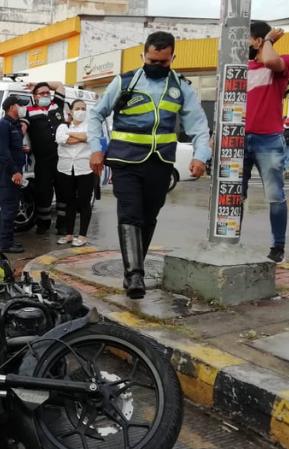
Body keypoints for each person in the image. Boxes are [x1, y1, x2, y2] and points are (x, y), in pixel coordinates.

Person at [88, 31, 211, 300]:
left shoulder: (181, 87)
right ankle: (135, 276)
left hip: (160, 162)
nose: (156, 66)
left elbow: (199, 126)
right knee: (130, 214)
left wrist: (201, 154)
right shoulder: (125, 82)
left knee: (149, 216)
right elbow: (95, 115)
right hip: (125, 160)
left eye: (162, 63)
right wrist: (96, 149)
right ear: (143, 55)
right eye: (152, 61)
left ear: (172, 58)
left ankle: (135, 270)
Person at [242, 23, 289, 264]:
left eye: (248, 39)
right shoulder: (242, 68)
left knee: (275, 195)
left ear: (259, 41)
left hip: (269, 139)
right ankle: (230, 241)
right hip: (238, 139)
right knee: (234, 196)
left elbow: (272, 62)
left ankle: (277, 246)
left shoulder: (283, 61)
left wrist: (270, 41)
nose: (244, 44)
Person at [21, 81, 66, 235]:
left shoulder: (57, 105)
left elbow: (59, 85)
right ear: (35, 97)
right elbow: (23, 127)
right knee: (43, 193)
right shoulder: (29, 111)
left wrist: (40, 83)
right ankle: (43, 224)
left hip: (61, 158)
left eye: (48, 93)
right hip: (43, 160)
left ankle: (62, 225)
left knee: (63, 192)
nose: (46, 95)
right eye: (42, 93)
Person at [55, 99, 96, 247]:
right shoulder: (62, 126)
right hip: (66, 169)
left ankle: (83, 235)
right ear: (71, 111)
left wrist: (72, 136)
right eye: (77, 108)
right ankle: (69, 234)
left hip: (85, 169)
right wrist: (82, 138)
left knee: (84, 202)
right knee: (69, 202)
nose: (80, 111)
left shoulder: (91, 126)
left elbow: (90, 138)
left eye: (83, 108)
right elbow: (60, 139)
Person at [0, 95, 28, 254]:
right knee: (8, 209)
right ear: (12, 107)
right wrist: (14, 172)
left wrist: (22, 149)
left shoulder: (15, 125)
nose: (23, 108)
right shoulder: (3, 126)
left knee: (13, 208)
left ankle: (10, 240)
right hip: (7, 174)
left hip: (14, 172)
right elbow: (2, 153)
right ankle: (6, 244)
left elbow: (12, 147)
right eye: (20, 105)